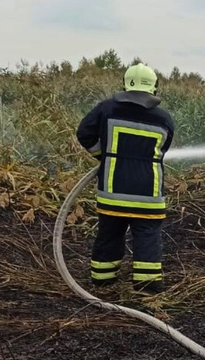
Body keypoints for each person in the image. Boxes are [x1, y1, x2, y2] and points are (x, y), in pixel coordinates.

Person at [75, 62, 175, 294]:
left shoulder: (107, 109)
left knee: (110, 233)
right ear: (154, 88)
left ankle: (102, 281)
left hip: (113, 190)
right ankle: (148, 287)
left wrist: (105, 156)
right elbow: (164, 149)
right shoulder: (163, 118)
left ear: (125, 84)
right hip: (148, 194)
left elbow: (84, 133)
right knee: (147, 237)